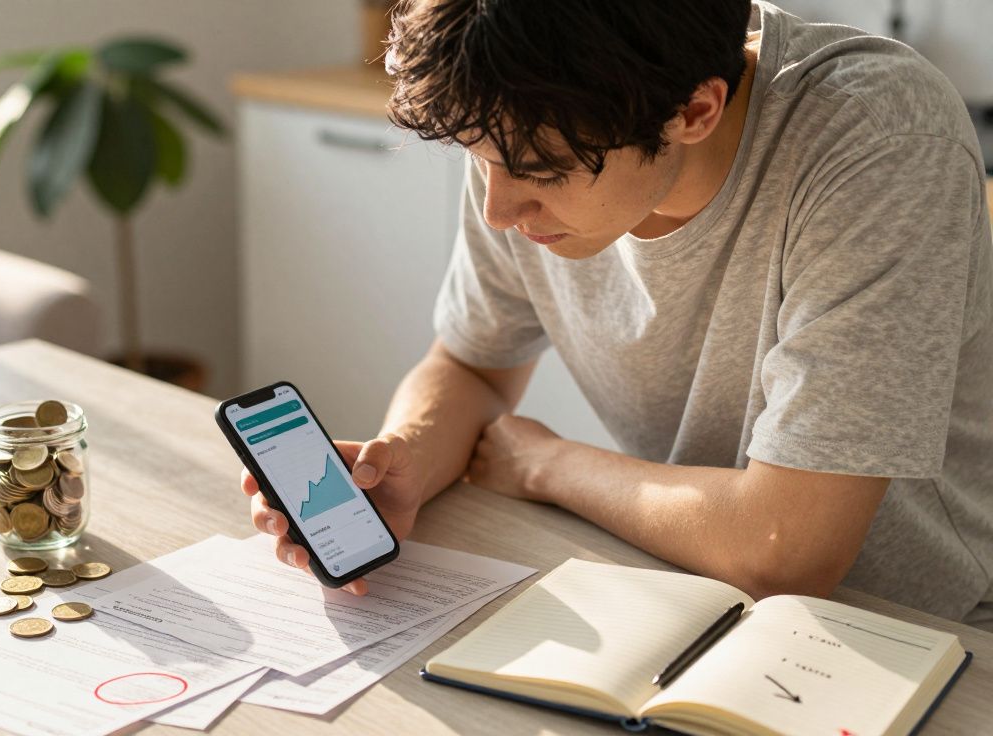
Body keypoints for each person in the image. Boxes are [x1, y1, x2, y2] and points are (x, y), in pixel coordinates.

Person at [241, 0, 993, 629]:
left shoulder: (879, 138)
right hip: (701, 596)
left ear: (696, 110)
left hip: (924, 630)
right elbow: (472, 364)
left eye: (540, 173)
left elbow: (784, 549)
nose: (499, 210)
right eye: (477, 158)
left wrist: (549, 465)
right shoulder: (520, 122)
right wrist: (404, 461)